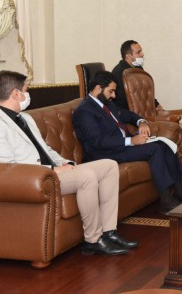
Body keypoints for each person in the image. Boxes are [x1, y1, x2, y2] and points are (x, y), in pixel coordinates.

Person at [0, 70, 138, 256]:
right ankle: (93, 240)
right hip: (38, 179)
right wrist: (51, 169)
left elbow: (46, 149)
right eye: (26, 90)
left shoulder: (25, 118)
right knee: (86, 176)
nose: (27, 94)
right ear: (16, 94)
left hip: (55, 171)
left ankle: (109, 232)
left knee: (109, 165)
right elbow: (8, 168)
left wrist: (65, 163)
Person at [72, 71, 182, 213]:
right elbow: (97, 141)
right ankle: (166, 200)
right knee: (155, 149)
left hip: (120, 147)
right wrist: (130, 141)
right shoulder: (85, 111)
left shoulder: (107, 104)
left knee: (164, 144)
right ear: (98, 88)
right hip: (103, 153)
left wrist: (141, 122)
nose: (114, 96)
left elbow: (128, 115)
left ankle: (179, 190)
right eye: (111, 91)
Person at [111, 40, 161, 111]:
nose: (142, 54)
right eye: (138, 52)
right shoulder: (119, 73)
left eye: (141, 51)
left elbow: (145, 91)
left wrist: (156, 105)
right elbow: (123, 100)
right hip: (126, 112)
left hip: (141, 110)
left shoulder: (138, 68)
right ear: (128, 56)